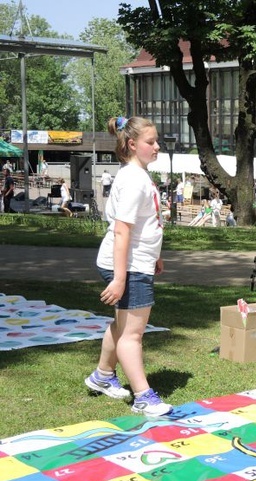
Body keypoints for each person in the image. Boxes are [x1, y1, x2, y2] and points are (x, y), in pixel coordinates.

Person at [84, 115, 172, 417]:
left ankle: (102, 376)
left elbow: (142, 225)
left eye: (156, 140)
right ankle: (143, 396)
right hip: (128, 267)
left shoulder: (136, 175)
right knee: (132, 335)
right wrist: (120, 278)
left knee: (122, 325)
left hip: (135, 263)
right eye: (151, 142)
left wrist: (155, 254)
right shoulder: (134, 179)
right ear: (132, 144)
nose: (157, 146)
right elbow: (122, 230)